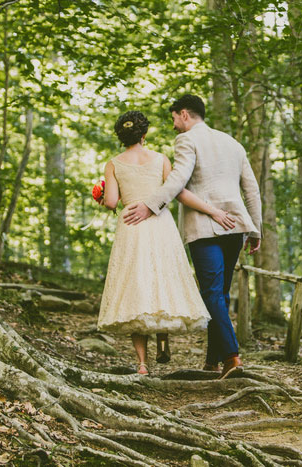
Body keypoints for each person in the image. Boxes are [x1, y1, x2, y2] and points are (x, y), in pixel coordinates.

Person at [123, 94, 261, 379]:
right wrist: (255, 228)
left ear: (184, 114)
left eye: (174, 118)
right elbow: (252, 188)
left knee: (212, 293)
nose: (173, 125)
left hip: (205, 228)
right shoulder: (233, 143)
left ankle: (232, 357)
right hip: (235, 226)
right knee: (219, 293)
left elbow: (177, 179)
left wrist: (149, 205)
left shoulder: (187, 140)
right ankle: (213, 361)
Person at [96, 110, 236, 376]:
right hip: (160, 223)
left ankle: (142, 364)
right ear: (144, 134)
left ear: (120, 136)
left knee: (136, 285)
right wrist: (212, 210)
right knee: (160, 278)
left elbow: (112, 202)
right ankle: (163, 338)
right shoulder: (161, 159)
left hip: (131, 225)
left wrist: (100, 196)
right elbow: (175, 192)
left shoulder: (113, 164)